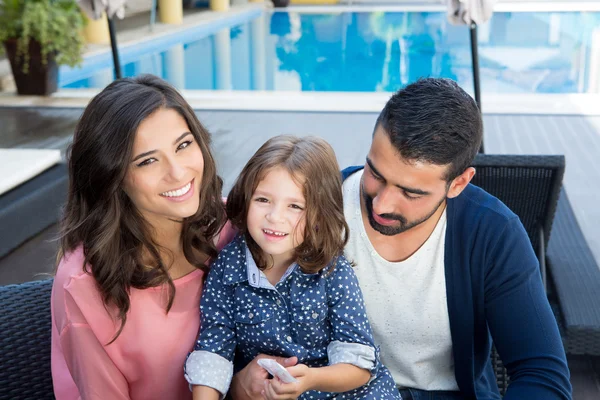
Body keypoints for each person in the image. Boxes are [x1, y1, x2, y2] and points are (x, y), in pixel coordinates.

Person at [231, 78, 572, 400]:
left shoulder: (492, 233)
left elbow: (541, 373)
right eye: (375, 173)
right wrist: (238, 382)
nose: (381, 204)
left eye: (411, 193)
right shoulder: (311, 208)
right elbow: (237, 308)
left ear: (458, 183)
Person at [51, 75, 236, 400]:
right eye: (148, 160)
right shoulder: (83, 285)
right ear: (113, 176)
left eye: (183, 145)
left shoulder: (235, 227)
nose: (178, 172)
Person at [184, 135, 401, 400]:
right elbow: (213, 353)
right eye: (262, 200)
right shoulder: (226, 268)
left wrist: (311, 379)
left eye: (295, 206)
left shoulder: (333, 271)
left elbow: (359, 365)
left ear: (320, 214)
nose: (275, 217)